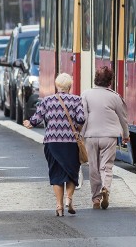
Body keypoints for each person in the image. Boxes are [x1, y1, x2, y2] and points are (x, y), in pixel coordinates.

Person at [23, 73, 85, 216]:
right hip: (70, 143)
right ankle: (69, 198)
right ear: (70, 86)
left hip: (52, 143)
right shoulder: (76, 100)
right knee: (71, 172)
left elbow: (36, 119)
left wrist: (29, 123)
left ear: (57, 85)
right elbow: (81, 119)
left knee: (56, 173)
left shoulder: (47, 101)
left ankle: (59, 206)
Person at [80, 66, 129, 210]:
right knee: (106, 166)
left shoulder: (86, 94)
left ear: (96, 79)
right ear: (110, 81)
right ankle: (106, 188)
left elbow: (83, 117)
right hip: (109, 136)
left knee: (93, 168)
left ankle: (96, 199)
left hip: (91, 135)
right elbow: (123, 118)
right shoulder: (115, 96)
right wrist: (126, 135)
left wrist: (81, 136)